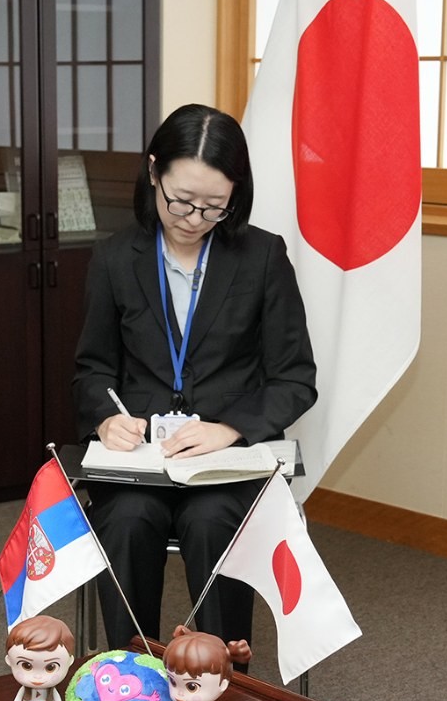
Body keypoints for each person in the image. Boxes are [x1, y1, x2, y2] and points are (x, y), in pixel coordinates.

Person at [73, 103, 317, 651]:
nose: (193, 218)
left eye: (214, 207)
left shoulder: (262, 257)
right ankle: (130, 673)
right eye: (181, 200)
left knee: (211, 524)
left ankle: (221, 680)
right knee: (128, 521)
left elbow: (295, 378)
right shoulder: (115, 258)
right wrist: (106, 417)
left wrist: (230, 428)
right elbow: (92, 368)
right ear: (153, 172)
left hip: (225, 464)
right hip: (141, 463)